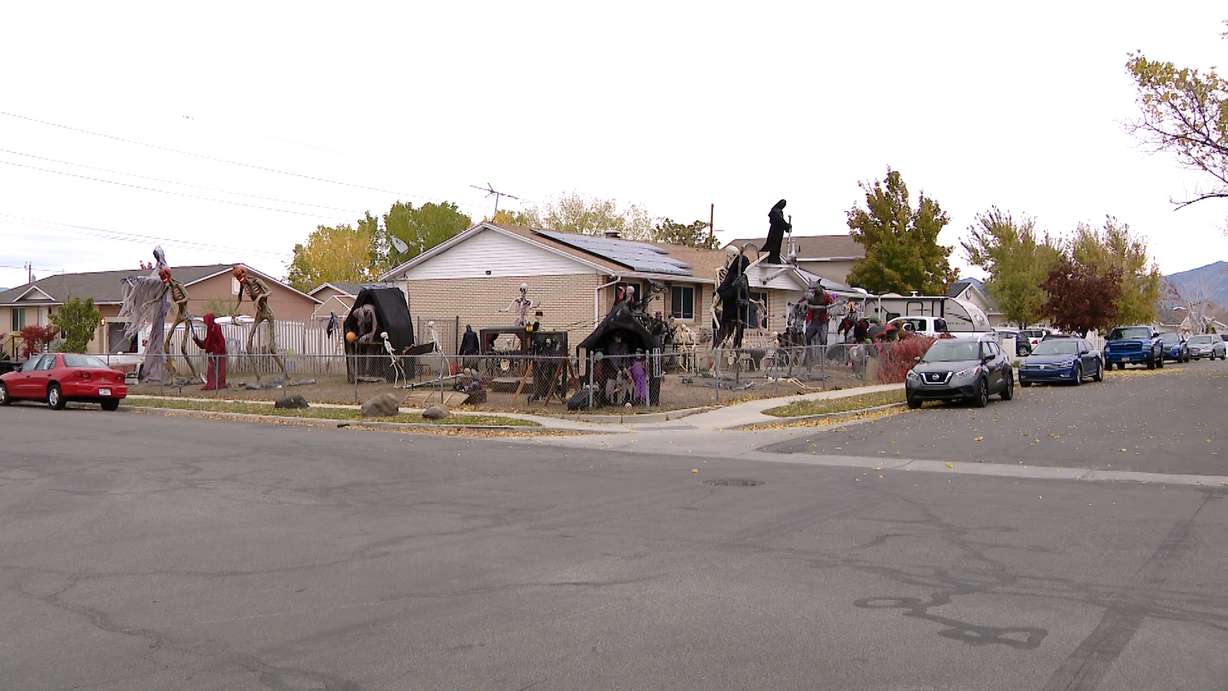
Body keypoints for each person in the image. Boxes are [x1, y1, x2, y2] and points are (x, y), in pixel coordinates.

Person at [192, 312, 227, 390]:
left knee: (218, 369)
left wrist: (215, 352)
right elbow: (206, 344)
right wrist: (196, 340)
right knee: (212, 371)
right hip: (213, 354)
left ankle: (218, 384)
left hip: (218, 354)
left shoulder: (215, 329)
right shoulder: (210, 330)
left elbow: (221, 343)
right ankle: (213, 384)